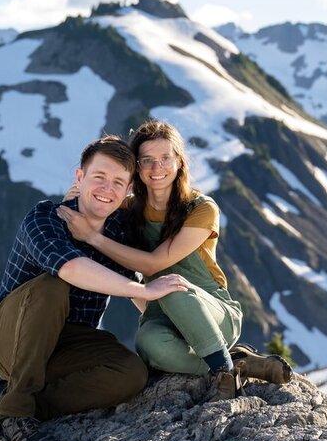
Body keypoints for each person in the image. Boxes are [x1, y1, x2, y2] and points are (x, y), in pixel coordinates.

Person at [0, 135, 191, 441]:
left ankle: (10, 402)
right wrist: (142, 288)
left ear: (128, 191)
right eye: (99, 177)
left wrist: (186, 335)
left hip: (68, 342)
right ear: (80, 177)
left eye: (118, 182)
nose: (107, 188)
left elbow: (141, 298)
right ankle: (16, 413)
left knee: (130, 374)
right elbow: (71, 269)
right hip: (9, 337)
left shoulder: (116, 234)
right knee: (52, 285)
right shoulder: (45, 217)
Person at [58, 119, 292, 399]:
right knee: (148, 344)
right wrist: (80, 196)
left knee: (172, 286)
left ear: (179, 161)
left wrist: (93, 237)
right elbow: (93, 209)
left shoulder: (201, 208)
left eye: (165, 158)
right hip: (162, 314)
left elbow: (155, 264)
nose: (157, 168)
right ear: (137, 168)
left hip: (213, 311)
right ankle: (236, 364)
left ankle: (224, 373)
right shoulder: (128, 209)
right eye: (147, 160)